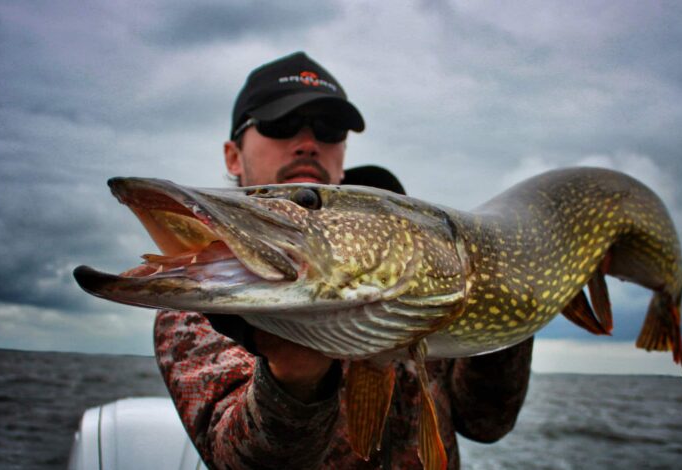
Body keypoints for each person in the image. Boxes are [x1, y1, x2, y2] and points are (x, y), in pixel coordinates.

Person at [153, 51, 534, 470]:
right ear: (232, 155)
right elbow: (240, 463)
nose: (308, 143)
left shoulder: (419, 271)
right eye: (279, 125)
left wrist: (513, 288)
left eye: (329, 129)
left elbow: (485, 420)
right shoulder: (196, 304)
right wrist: (294, 378)